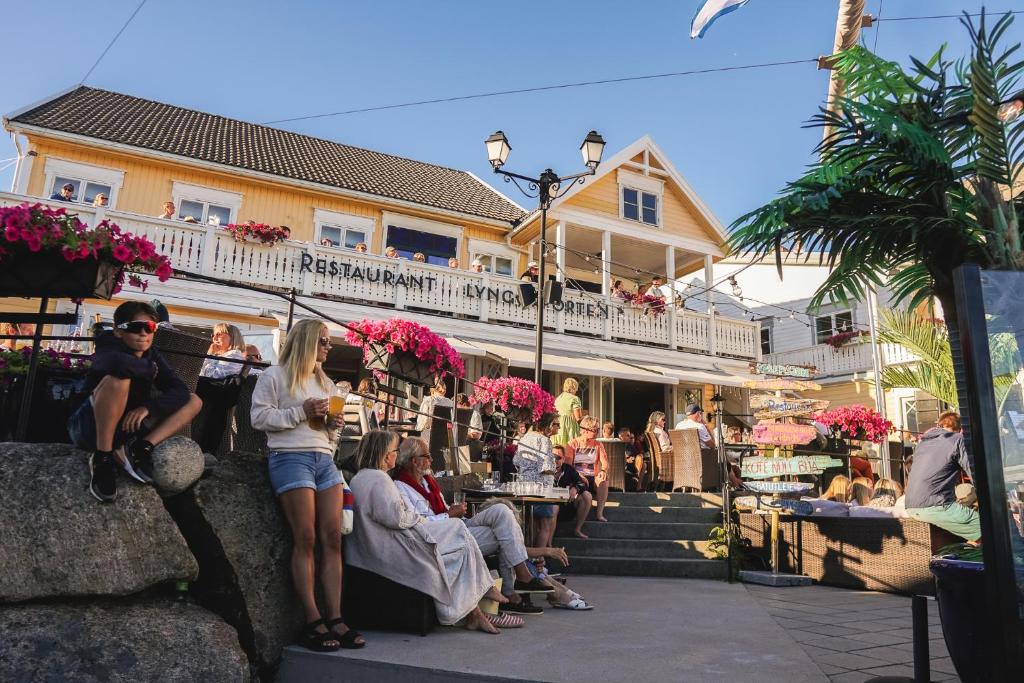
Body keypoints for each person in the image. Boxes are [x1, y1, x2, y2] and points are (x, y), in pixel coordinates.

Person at [250, 319, 363, 651]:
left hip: (323, 460)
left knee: (332, 538)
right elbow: (258, 418)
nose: (328, 347)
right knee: (306, 536)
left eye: (328, 342)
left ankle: (336, 616)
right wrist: (300, 411)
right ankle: (313, 619)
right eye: (324, 341)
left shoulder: (325, 381)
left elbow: (328, 436)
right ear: (307, 342)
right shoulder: (275, 376)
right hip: (289, 457)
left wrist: (333, 426)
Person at [347, 430, 507, 634]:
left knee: (459, 539)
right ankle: (479, 596)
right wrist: (416, 517)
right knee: (457, 528)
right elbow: (396, 517)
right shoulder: (379, 479)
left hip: (388, 542)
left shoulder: (365, 478)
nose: (397, 455)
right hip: (396, 546)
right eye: (395, 451)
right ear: (387, 456)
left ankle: (475, 609)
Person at [394, 437, 553, 622]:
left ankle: (520, 579)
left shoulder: (428, 482)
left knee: (502, 510)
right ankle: (513, 592)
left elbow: (443, 509)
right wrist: (449, 515)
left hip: (457, 523)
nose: (431, 460)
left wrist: (453, 512)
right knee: (503, 534)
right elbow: (418, 523)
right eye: (427, 456)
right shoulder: (401, 487)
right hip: (443, 534)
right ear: (415, 461)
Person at [68, 302, 202, 503]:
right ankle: (102, 458)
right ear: (118, 331)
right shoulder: (108, 344)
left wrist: (148, 408)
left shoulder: (152, 354)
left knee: (194, 400)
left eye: (149, 327)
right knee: (118, 379)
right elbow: (116, 364)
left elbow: (180, 391)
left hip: (127, 427)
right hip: (88, 427)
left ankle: (143, 448)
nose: (143, 333)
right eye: (134, 327)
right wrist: (148, 369)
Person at [905, 412, 981, 543]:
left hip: (911, 506)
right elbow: (975, 473)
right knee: (989, 528)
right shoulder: (957, 439)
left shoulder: (922, 443)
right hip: (936, 505)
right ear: (960, 428)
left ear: (939, 425)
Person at [514, 412, 559, 546]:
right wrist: (554, 469)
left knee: (529, 525)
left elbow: (515, 460)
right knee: (545, 525)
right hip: (541, 489)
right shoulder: (545, 440)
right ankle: (538, 560)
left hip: (524, 487)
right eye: (556, 424)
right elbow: (546, 467)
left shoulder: (525, 437)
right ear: (548, 426)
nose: (559, 428)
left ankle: (530, 559)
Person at [565, 416, 610, 523]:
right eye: (596, 430)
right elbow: (568, 466)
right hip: (577, 477)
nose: (598, 432)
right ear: (585, 430)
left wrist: (603, 471)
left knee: (603, 480)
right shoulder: (572, 444)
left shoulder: (598, 444)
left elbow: (605, 463)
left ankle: (599, 513)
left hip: (592, 477)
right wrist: (578, 476)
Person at [553, 444, 593, 538]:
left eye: (558, 457)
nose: (555, 460)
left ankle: (577, 529)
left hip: (566, 505)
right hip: (548, 505)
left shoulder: (568, 469)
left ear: (563, 459)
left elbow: (582, 483)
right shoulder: (543, 469)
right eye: (552, 456)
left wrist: (575, 488)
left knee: (587, 495)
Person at [416, 380, 453, 449]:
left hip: (430, 438)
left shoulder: (428, 400)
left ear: (432, 389)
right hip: (446, 438)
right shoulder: (450, 403)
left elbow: (423, 422)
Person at [553, 377, 582, 447]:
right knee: (571, 451)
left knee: (559, 451)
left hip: (559, 428)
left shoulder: (558, 398)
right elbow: (578, 418)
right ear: (574, 387)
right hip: (570, 428)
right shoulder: (575, 398)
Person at [620, 427, 646, 492]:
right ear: (621, 436)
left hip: (631, 465)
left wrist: (637, 457)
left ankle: (638, 486)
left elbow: (635, 455)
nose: (629, 438)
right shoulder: (618, 444)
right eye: (628, 436)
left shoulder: (630, 445)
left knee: (644, 464)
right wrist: (626, 459)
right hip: (621, 467)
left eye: (631, 437)